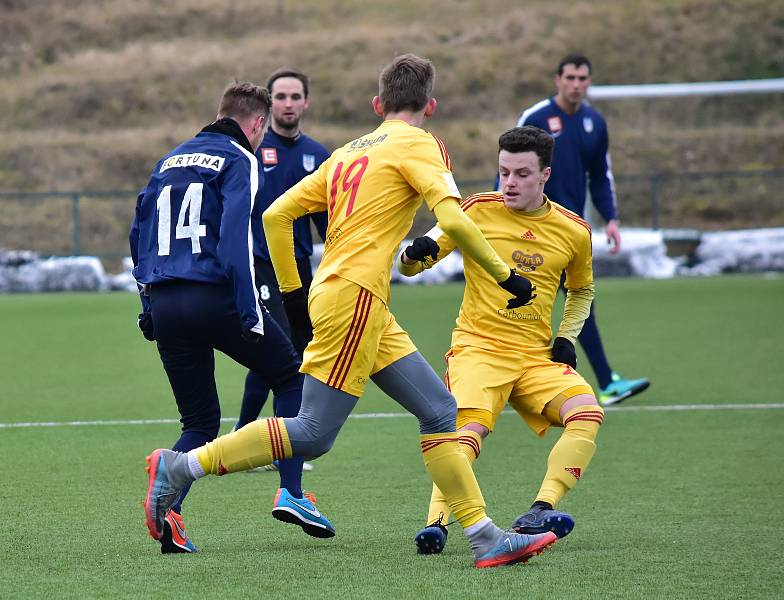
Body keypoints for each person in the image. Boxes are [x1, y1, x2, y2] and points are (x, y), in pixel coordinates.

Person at [143, 54, 557, 569]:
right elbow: (452, 215)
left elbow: (277, 215)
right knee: (313, 433)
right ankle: (182, 467)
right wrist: (507, 276)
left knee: (439, 411)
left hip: (355, 298)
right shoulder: (422, 143)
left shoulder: (346, 152)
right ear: (430, 105)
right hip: (357, 296)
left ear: (378, 104)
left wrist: (297, 297)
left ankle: (484, 535)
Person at [130, 81, 335, 554]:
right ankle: (293, 492)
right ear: (258, 123)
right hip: (214, 296)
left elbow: (137, 230)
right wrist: (250, 309)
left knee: (200, 422)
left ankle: (171, 520)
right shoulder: (238, 158)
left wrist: (147, 305)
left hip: (166, 302)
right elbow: (236, 239)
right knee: (290, 378)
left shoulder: (170, 159)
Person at [400, 125, 604, 554]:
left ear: (545, 175)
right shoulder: (476, 210)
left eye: (522, 174)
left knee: (586, 412)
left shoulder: (573, 231)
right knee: (466, 434)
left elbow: (582, 290)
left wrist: (567, 336)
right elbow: (414, 264)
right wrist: (414, 254)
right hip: (479, 349)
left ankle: (540, 509)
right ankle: (436, 524)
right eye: (504, 171)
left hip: (535, 358)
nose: (509, 182)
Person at [500, 53, 650, 406]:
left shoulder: (594, 123)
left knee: (581, 299)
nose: (576, 84)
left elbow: (600, 175)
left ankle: (605, 380)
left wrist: (610, 217)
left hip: (568, 231)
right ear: (558, 80)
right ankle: (507, 376)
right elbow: (507, 171)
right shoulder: (536, 118)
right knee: (519, 299)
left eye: (583, 78)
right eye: (570, 77)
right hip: (528, 228)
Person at [238, 68, 330, 476]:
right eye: (281, 97)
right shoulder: (253, 150)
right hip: (261, 266)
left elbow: (327, 222)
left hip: (301, 271)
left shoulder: (319, 155)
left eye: (295, 96)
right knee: (282, 354)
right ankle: (272, 444)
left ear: (306, 102)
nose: (288, 104)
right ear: (269, 103)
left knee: (291, 353)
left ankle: (251, 437)